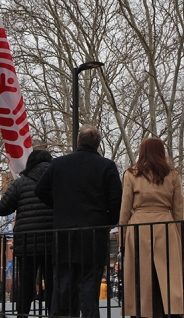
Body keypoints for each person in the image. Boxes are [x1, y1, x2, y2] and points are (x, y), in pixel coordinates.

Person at [35, 125, 122, 318]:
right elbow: (116, 200)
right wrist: (107, 222)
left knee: (63, 288)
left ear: (78, 142)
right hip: (93, 235)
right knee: (89, 290)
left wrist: (59, 207)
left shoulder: (59, 164)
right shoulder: (106, 166)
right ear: (98, 144)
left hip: (64, 234)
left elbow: (39, 190)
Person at [0, 149, 54, 316]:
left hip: (27, 244)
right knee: (53, 285)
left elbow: (2, 208)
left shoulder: (21, 183)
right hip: (53, 243)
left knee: (25, 286)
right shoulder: (56, 182)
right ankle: (53, 313)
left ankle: (22, 313)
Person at [119, 137, 184, 317]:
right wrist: (178, 236)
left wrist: (122, 238)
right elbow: (179, 209)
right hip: (166, 225)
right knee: (168, 275)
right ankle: (171, 309)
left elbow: (125, 209)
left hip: (139, 225)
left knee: (140, 276)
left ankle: (140, 310)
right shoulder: (173, 175)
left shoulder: (131, 174)